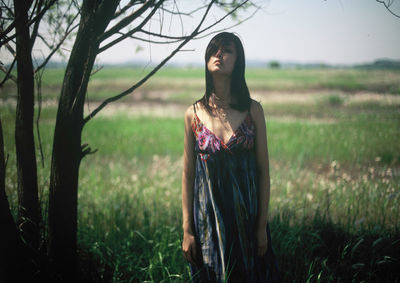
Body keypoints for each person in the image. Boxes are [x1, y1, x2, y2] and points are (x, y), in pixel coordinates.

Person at [181, 32, 279, 283]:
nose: (218, 54)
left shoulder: (253, 110)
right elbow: (188, 174)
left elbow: (263, 172)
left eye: (227, 50)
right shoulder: (193, 113)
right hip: (207, 225)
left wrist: (260, 228)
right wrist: (187, 230)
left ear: (238, 62)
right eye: (214, 49)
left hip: (247, 222)